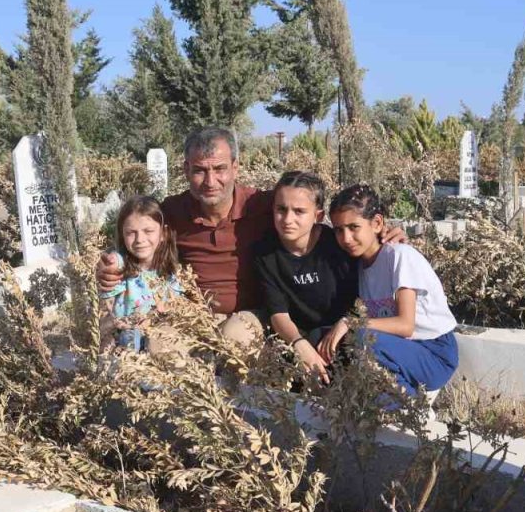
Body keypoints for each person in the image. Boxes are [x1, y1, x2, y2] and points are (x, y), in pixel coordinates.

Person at [97, 126, 408, 349]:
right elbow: (139, 233)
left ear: (235, 167)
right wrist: (112, 263)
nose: (210, 181)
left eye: (219, 168)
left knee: (235, 339)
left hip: (254, 314)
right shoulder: (172, 212)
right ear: (185, 169)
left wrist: (382, 235)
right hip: (193, 313)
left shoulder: (264, 206)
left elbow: (310, 213)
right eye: (199, 171)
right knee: (161, 345)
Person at [321, 184, 459, 396]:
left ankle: (407, 405)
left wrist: (349, 322)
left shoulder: (399, 256)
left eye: (354, 227)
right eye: (339, 230)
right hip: (398, 350)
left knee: (361, 337)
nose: (346, 238)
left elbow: (405, 325)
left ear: (377, 223)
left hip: (433, 354)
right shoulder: (357, 266)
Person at [253, 171, 357, 383]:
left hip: (341, 333)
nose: (287, 219)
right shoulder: (265, 253)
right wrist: (299, 344)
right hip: (298, 337)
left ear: (317, 216)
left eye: (299, 211)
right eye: (281, 209)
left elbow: (365, 295)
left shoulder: (337, 244)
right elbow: (278, 314)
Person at [101, 196, 183, 352]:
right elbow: (106, 309)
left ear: (163, 233)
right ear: (122, 235)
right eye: (131, 233)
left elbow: (175, 305)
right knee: (130, 338)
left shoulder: (171, 271)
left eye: (148, 231)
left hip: (158, 336)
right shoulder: (120, 267)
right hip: (127, 338)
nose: (140, 239)